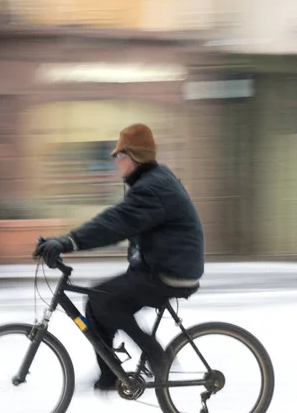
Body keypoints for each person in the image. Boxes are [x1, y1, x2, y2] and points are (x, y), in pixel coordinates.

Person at [33, 123, 204, 391]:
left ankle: (158, 356)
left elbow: (115, 223)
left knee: (105, 299)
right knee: (95, 304)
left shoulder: (152, 188)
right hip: (159, 266)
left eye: (118, 156)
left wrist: (68, 241)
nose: (116, 162)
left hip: (170, 271)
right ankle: (110, 375)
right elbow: (121, 222)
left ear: (132, 155)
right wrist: (64, 241)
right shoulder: (151, 183)